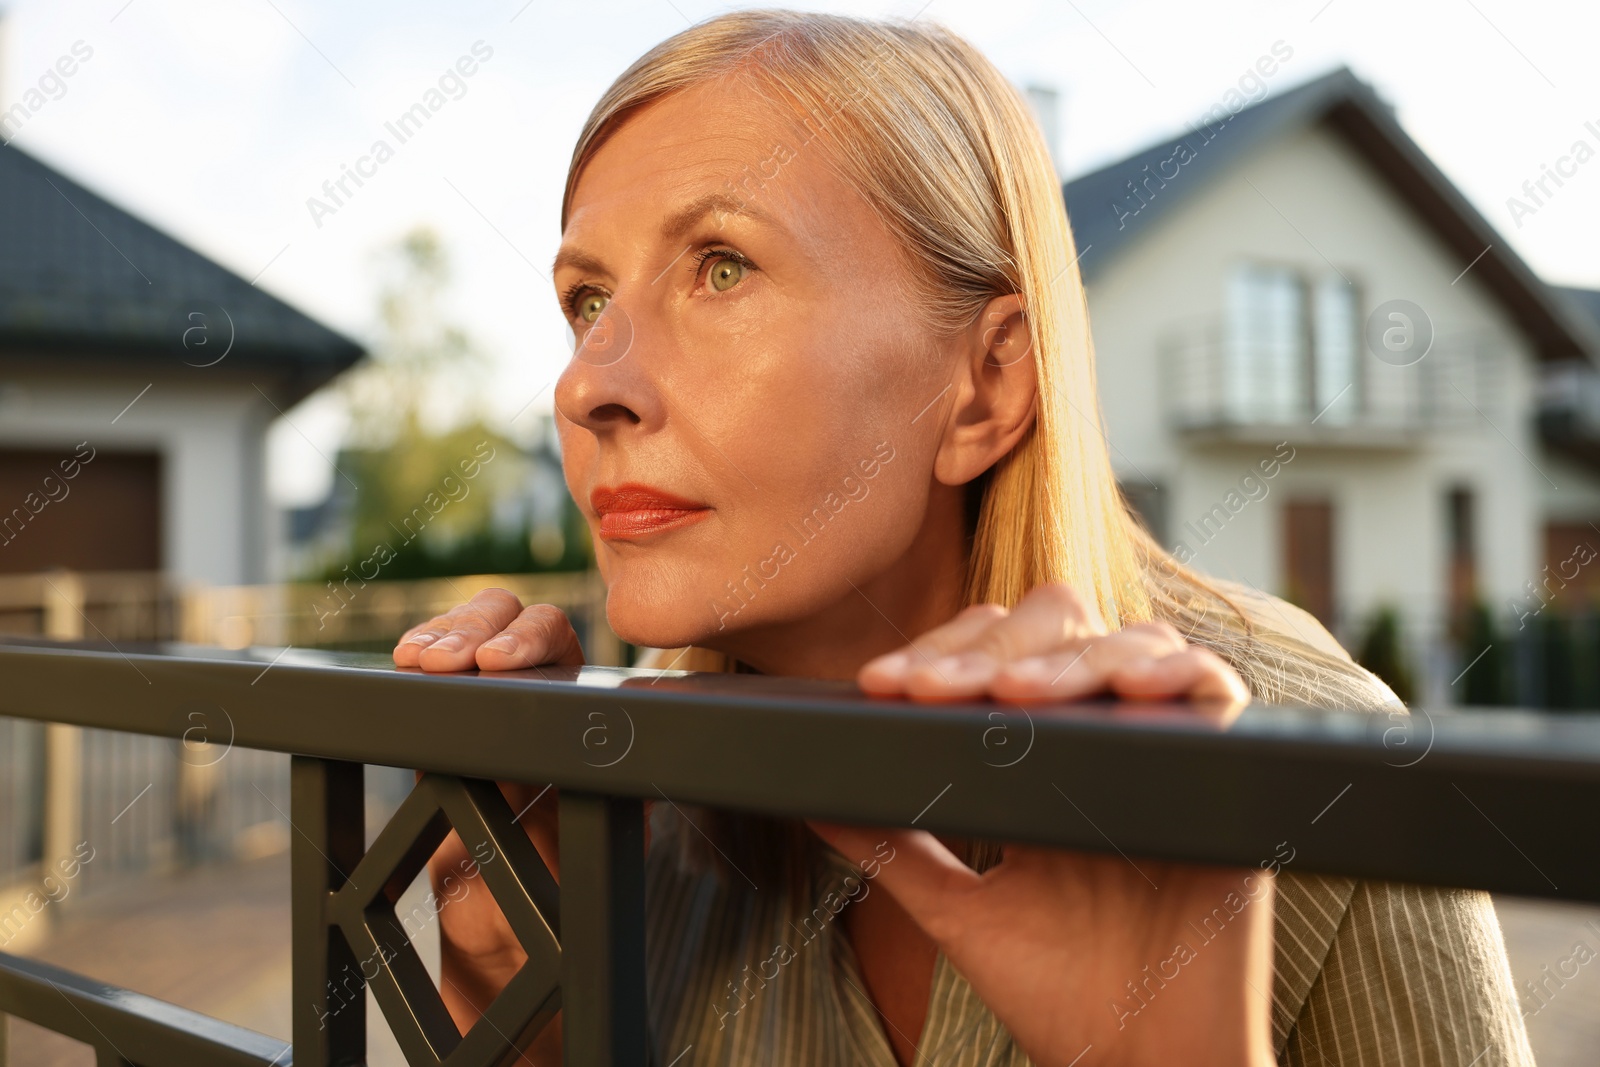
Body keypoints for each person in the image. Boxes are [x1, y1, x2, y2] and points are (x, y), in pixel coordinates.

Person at [394, 10, 1534, 1065]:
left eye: (722, 266)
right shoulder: (625, 799)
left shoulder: (1316, 769)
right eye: (587, 300)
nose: (589, 382)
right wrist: (514, 983)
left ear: (989, 383)